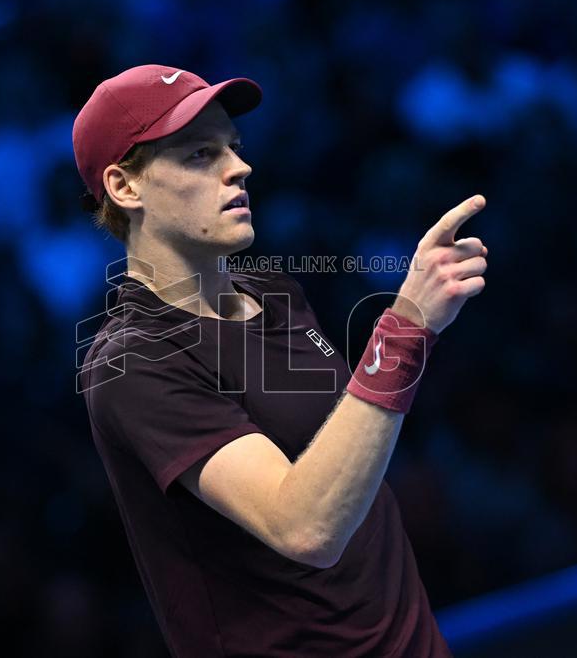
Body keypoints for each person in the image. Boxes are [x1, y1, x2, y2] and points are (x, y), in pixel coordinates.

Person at [74, 64, 488, 657]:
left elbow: (349, 454)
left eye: (234, 148)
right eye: (198, 154)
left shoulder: (273, 291)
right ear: (125, 187)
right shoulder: (133, 363)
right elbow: (305, 526)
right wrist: (404, 331)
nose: (239, 167)